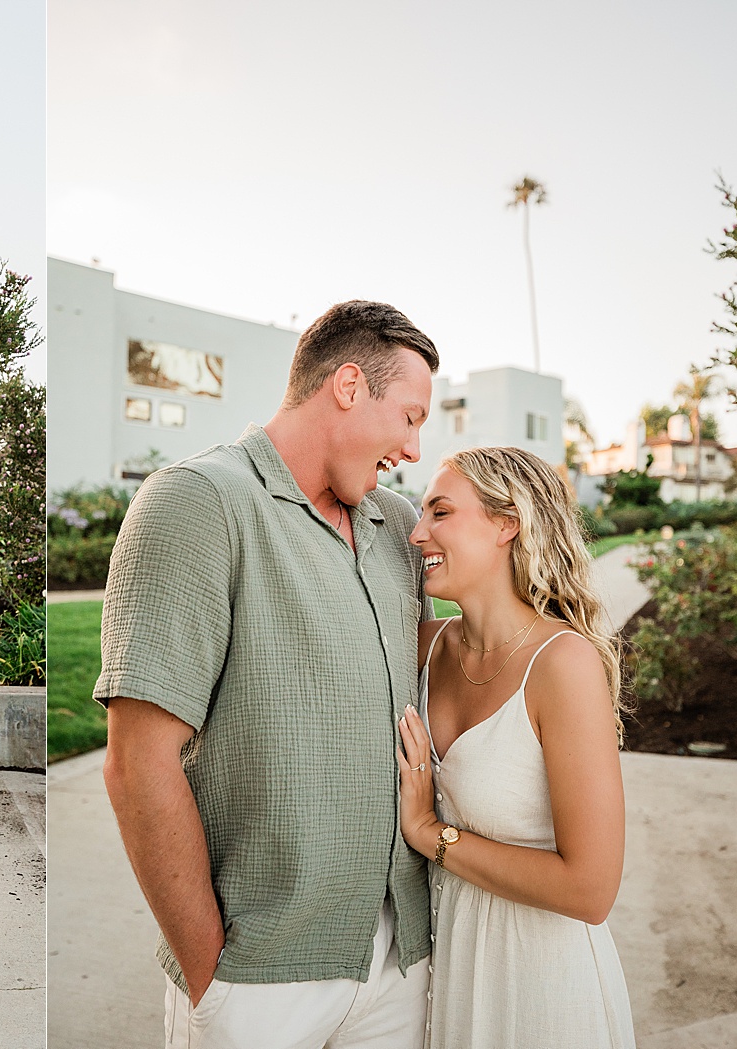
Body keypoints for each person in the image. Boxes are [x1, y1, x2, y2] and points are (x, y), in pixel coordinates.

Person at [98, 300, 441, 1049]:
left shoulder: (397, 527)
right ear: (348, 385)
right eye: (409, 417)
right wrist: (209, 971)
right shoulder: (198, 501)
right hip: (257, 980)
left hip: (401, 967)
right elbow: (137, 764)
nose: (414, 447)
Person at [399, 447, 635, 1048]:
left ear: (508, 524)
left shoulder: (563, 664)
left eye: (440, 512)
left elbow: (591, 889)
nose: (416, 531)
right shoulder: (422, 648)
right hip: (452, 970)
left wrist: (431, 832)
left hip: (546, 983)